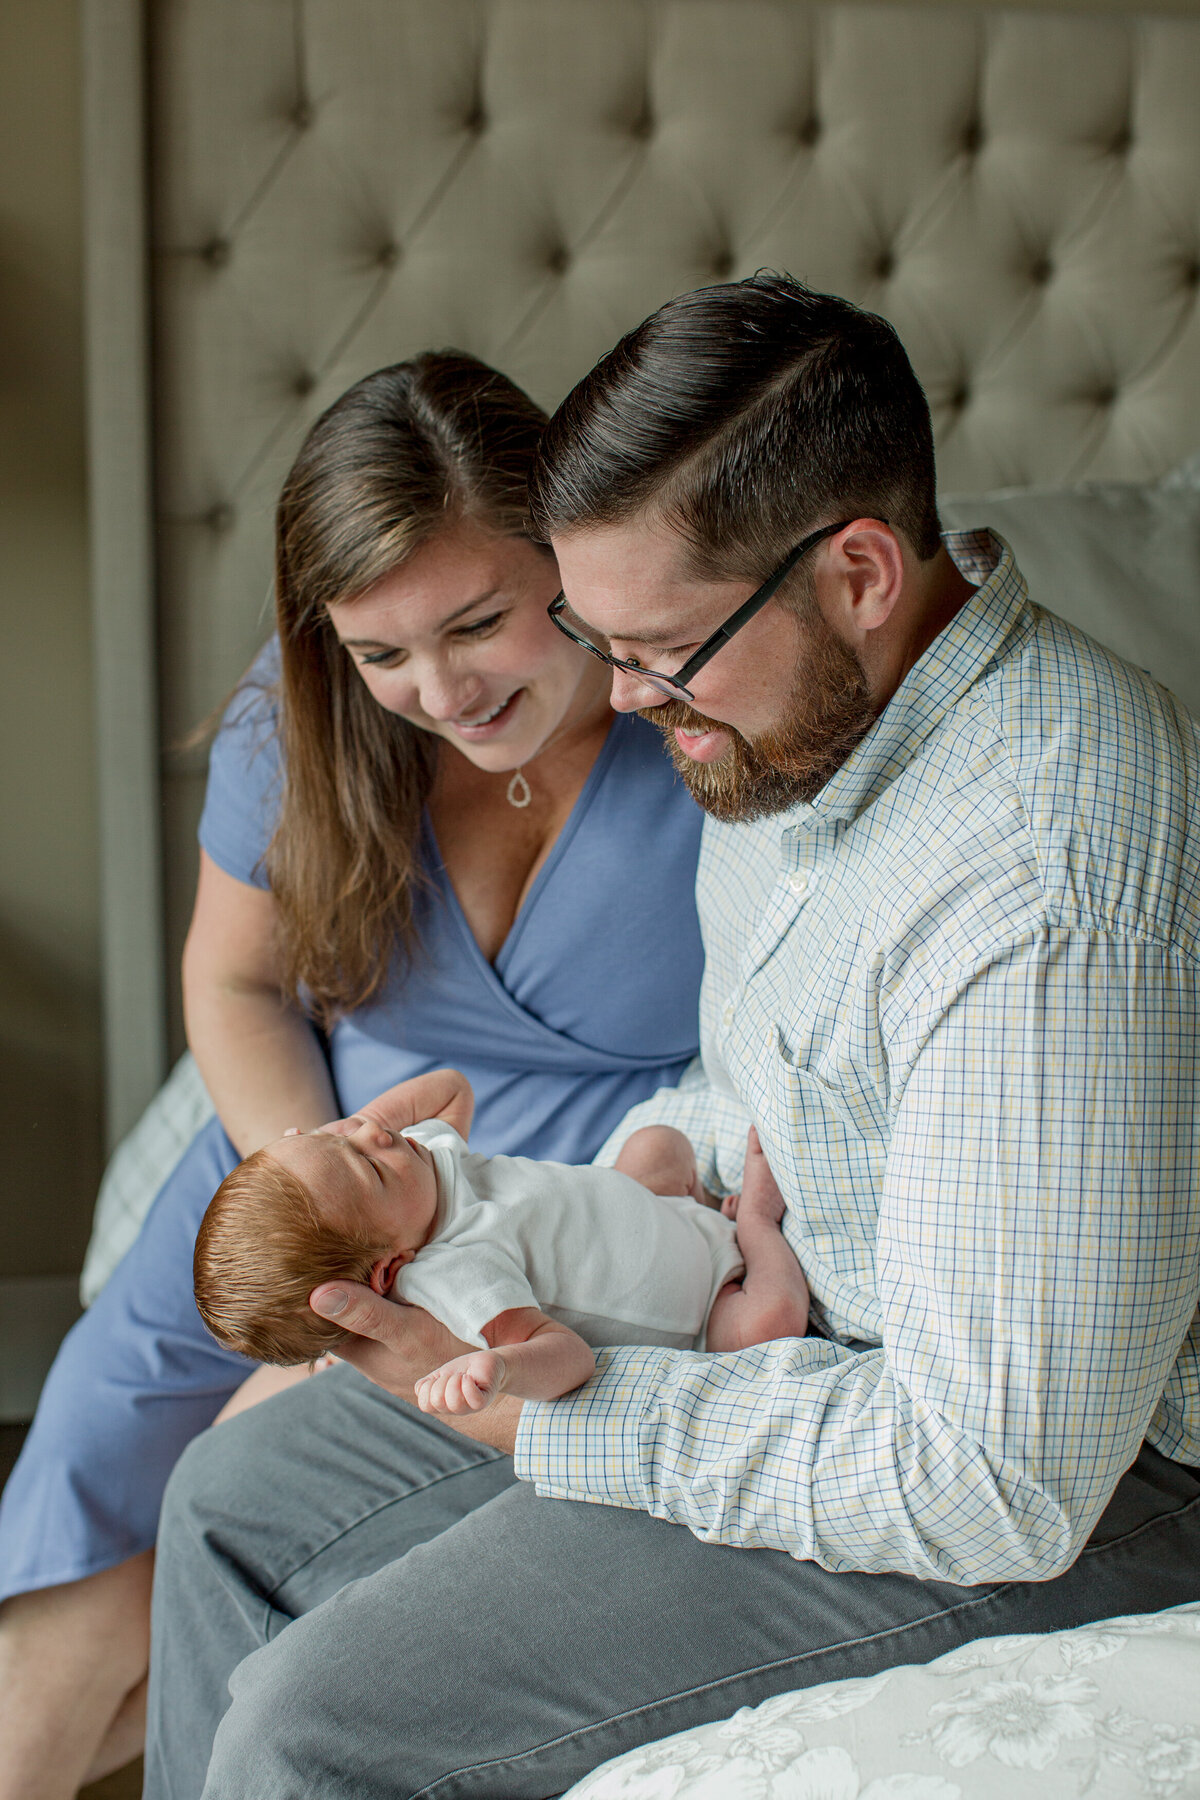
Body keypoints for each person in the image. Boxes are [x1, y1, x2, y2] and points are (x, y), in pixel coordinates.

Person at [144, 274, 1200, 1800]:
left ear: (856, 571)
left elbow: (996, 1485)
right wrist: (657, 1158)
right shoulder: (790, 732)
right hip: (762, 1302)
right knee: (231, 1499)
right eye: (598, 637)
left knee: (315, 1729)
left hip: (1071, 1470)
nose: (627, 702)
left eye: (667, 651)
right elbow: (777, 1061)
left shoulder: (1045, 884)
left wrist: (569, 1421)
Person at [0, 353, 707, 1800]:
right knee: (71, 1597)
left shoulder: (705, 713)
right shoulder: (305, 717)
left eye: (480, 623)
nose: (440, 692)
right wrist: (311, 1188)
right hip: (292, 1163)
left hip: (517, 1227)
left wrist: (390, 1284)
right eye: (383, 654)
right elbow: (236, 982)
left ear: (565, 553)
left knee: (232, 1544)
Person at [192, 1068, 809, 1389]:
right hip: (697, 1310)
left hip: (651, 1211)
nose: (374, 1134)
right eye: (367, 1166)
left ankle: (703, 1206)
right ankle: (755, 1224)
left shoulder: (419, 1164)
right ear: (389, 1270)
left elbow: (450, 1089)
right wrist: (502, 1370)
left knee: (656, 1144)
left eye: (337, 1131)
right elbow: (566, 1357)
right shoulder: (457, 1273)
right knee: (769, 1324)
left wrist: (360, 1136)